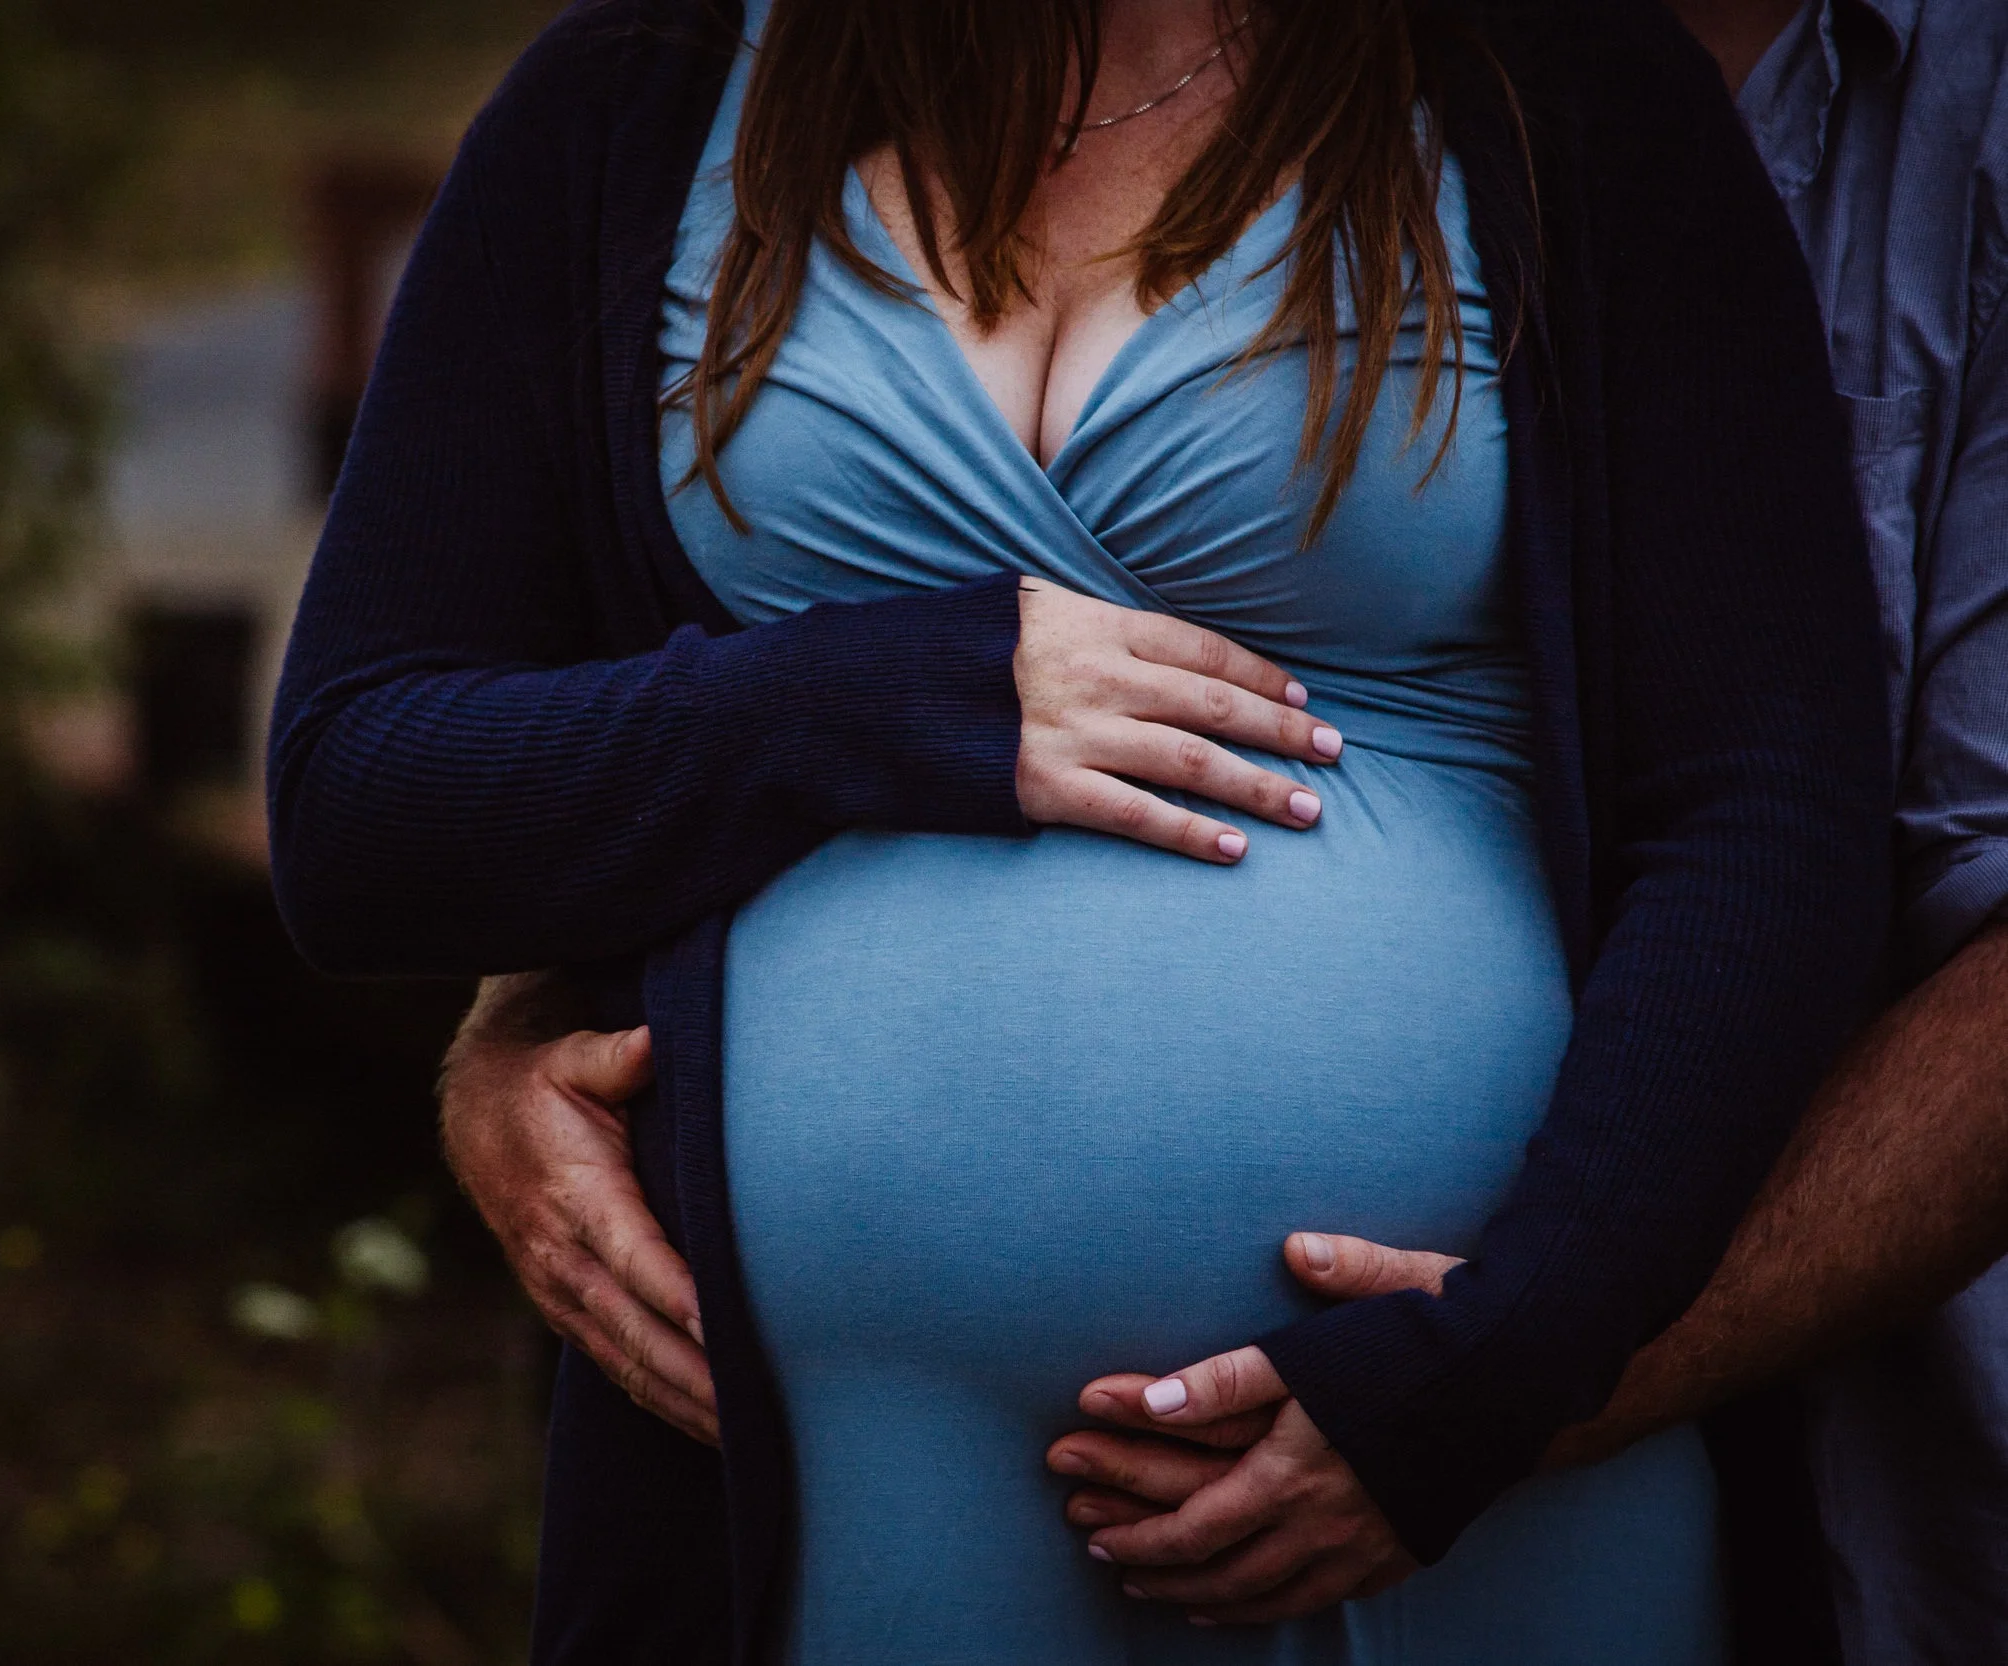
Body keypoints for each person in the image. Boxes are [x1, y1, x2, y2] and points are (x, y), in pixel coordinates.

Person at [272, 0, 1889, 1660]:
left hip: (1459, 1464)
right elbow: (359, 797)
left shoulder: (1554, 87)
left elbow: (1771, 805)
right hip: (840, 1459)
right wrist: (876, 695)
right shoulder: (633, 102)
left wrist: (1517, 1348)